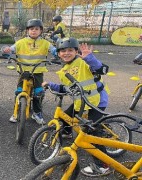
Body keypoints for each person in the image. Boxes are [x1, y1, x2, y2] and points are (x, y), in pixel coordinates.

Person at [42, 37, 111, 177]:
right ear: (58, 53)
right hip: (82, 102)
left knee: (92, 133)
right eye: (63, 51)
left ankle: (103, 165)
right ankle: (67, 133)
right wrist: (50, 84)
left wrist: (90, 58)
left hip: (96, 102)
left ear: (76, 51)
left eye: (70, 50)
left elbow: (101, 69)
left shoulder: (83, 62)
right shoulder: (65, 69)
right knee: (66, 117)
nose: (66, 53)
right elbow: (67, 88)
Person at [3, 19, 57, 124]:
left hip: (38, 71)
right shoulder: (21, 42)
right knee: (19, 91)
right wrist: (7, 50)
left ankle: (37, 113)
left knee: (39, 93)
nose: (34, 31)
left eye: (37, 29)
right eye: (31, 29)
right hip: (23, 71)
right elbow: (11, 49)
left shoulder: (45, 43)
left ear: (41, 31)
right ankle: (16, 112)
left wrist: (57, 53)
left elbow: (54, 50)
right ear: (27, 30)